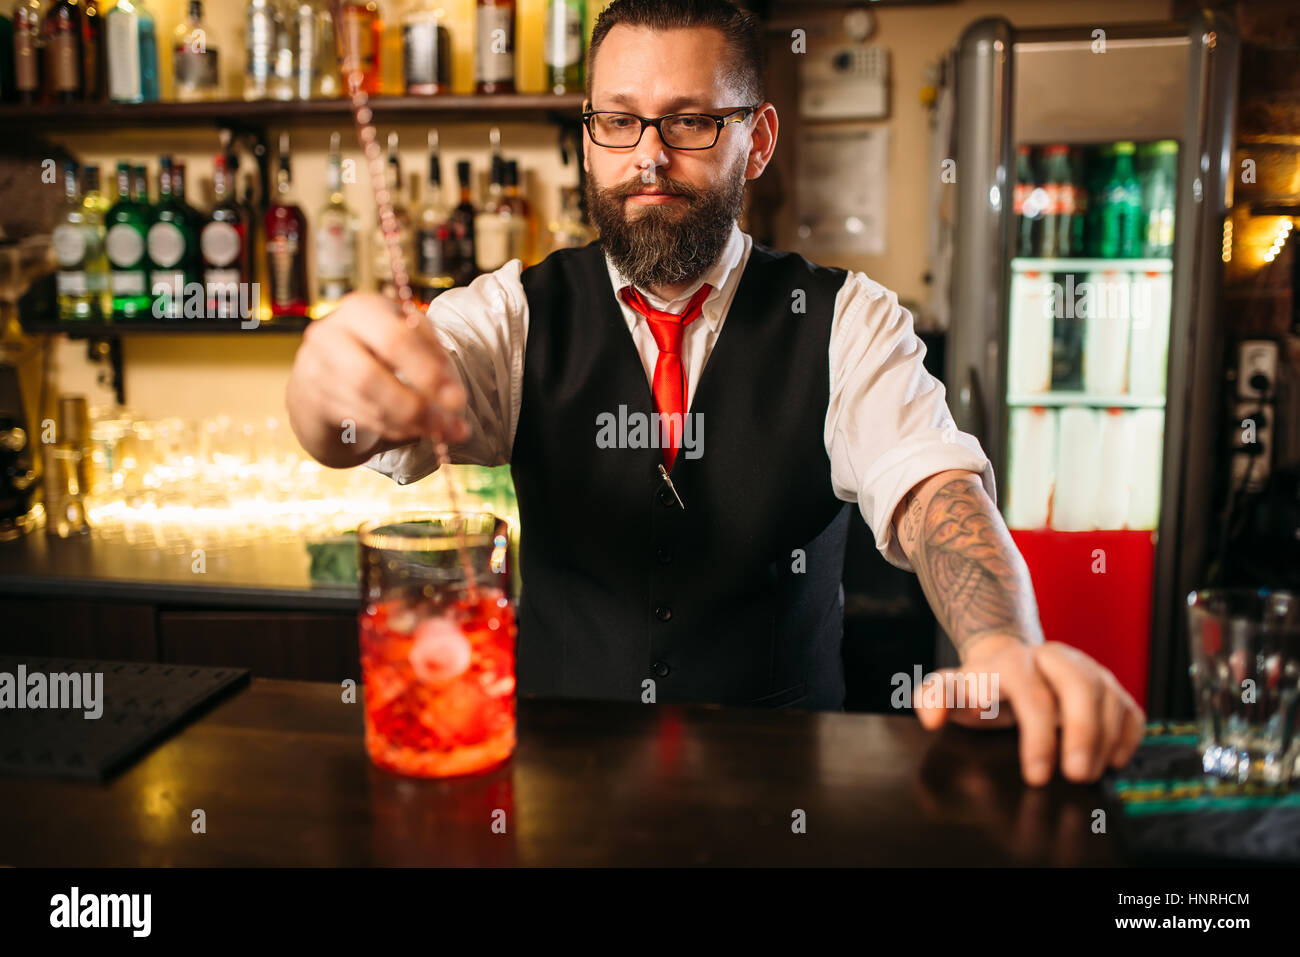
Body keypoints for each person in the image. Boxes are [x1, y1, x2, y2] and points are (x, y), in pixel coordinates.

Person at [286, 0, 1144, 787]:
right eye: (617, 121)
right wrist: (328, 387)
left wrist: (1000, 640)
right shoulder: (512, 313)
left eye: (690, 121)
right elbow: (349, 424)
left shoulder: (846, 319)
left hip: (782, 793)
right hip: (558, 788)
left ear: (758, 139)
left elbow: (937, 493)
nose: (647, 155)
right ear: (588, 135)